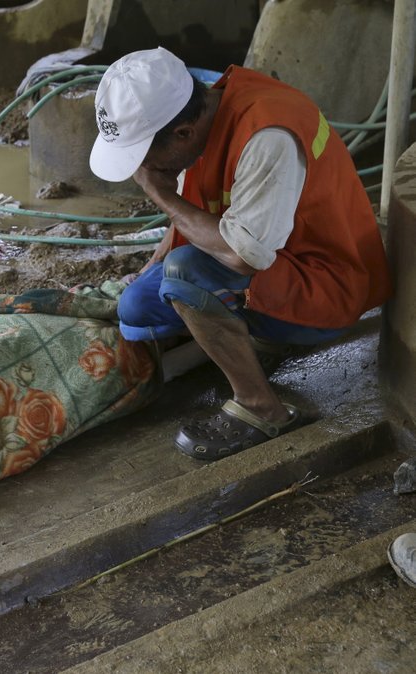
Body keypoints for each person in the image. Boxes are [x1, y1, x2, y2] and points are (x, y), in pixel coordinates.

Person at [88, 47, 391, 460]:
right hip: (280, 261)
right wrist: (150, 265)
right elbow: (196, 202)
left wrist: (160, 194)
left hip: (328, 282)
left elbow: (244, 256)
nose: (142, 172)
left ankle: (262, 408)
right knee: (138, 305)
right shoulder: (199, 107)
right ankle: (250, 337)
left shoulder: (267, 135)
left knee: (187, 274)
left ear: (183, 134)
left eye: (143, 159)